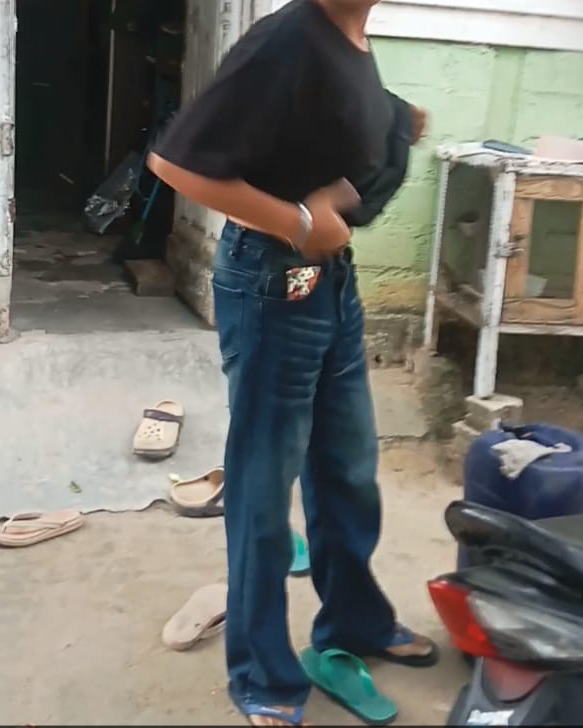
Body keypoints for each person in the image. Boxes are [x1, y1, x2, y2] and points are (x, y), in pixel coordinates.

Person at [149, 1, 436, 724]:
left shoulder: (350, 34)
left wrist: (396, 120)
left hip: (330, 285)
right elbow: (175, 163)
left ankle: (355, 622)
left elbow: (312, 126)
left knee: (347, 469)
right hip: (272, 281)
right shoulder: (287, 37)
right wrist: (300, 223)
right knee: (262, 487)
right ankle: (262, 674)